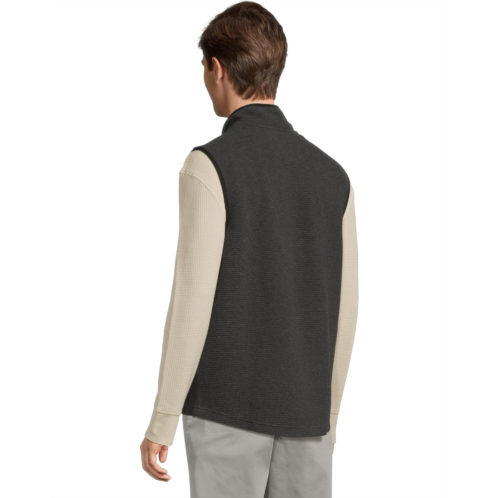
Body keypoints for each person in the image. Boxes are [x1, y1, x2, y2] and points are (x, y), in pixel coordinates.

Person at [140, 2, 359, 497]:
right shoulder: (334, 177)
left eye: (203, 67)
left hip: (225, 410)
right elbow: (345, 309)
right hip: (308, 417)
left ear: (217, 69)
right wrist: (329, 416)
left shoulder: (209, 165)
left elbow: (191, 300)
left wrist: (163, 417)